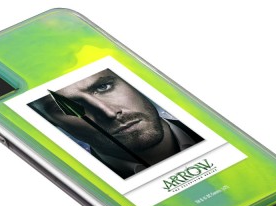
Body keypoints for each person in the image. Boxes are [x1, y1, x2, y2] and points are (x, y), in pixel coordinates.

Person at [29, 69, 203, 179]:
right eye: (66, 108)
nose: (109, 113)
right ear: (48, 121)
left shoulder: (208, 124)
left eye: (104, 87)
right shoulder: (84, 183)